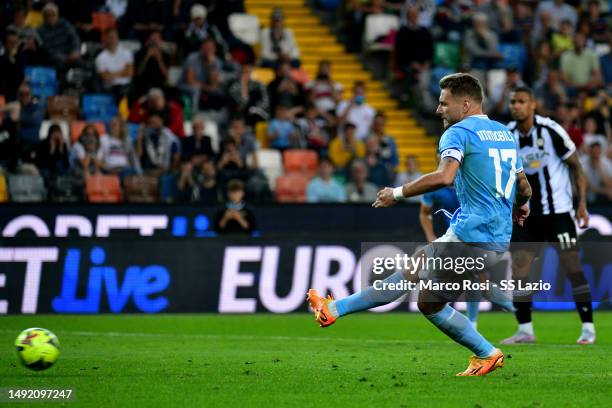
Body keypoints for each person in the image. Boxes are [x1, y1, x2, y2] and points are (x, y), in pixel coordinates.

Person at [307, 73, 532, 377]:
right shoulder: (505, 134)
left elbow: (444, 177)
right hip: (496, 237)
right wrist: (520, 206)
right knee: (418, 283)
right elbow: (523, 185)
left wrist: (396, 193)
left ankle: (487, 350)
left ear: (465, 104)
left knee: (426, 296)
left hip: (470, 234)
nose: (439, 109)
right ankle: (333, 310)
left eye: (444, 103)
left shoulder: (458, 132)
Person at [502, 86, 594, 345]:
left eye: (521, 101)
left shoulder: (550, 130)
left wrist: (582, 204)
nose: (516, 106)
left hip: (558, 213)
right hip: (525, 215)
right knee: (519, 269)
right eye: (513, 101)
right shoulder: (506, 135)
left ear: (533, 104)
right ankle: (525, 330)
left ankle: (587, 328)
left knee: (572, 266)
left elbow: (576, 166)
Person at [36, 3, 80, 70]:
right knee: (59, 63)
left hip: (70, 53)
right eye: (48, 16)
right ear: (44, 18)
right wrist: (65, 58)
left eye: (53, 15)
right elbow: (47, 49)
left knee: (81, 60)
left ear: (57, 15)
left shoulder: (65, 24)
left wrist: (75, 51)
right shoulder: (40, 31)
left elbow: (74, 38)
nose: (51, 18)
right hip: (55, 58)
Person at [95, 28, 134, 101]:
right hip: (110, 88)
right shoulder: (100, 58)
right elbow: (106, 78)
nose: (112, 40)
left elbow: (130, 72)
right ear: (105, 39)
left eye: (114, 37)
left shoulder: (126, 53)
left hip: (126, 86)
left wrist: (112, 74)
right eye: (110, 37)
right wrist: (123, 71)